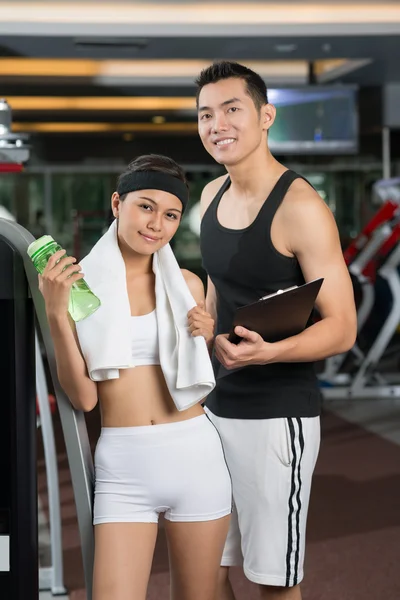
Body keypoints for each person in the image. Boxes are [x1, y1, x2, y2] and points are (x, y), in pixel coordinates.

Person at [196, 61, 357, 600]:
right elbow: (221, 292)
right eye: (206, 114)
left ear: (265, 116)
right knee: (206, 566)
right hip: (214, 409)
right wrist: (201, 325)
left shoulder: (301, 208)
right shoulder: (210, 196)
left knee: (273, 580)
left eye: (232, 109)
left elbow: (342, 328)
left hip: (275, 419)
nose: (217, 123)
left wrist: (268, 354)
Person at [38, 154, 232, 600]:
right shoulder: (77, 287)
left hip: (195, 458)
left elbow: (195, 372)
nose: (156, 224)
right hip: (124, 468)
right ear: (116, 204)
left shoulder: (187, 284)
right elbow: (84, 399)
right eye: (145, 207)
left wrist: (205, 337)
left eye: (170, 215)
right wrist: (54, 312)